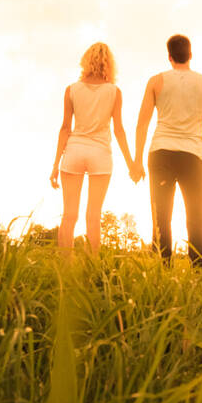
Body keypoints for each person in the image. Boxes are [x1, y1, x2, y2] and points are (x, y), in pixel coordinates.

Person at [133, 34, 202, 266]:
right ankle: (198, 275)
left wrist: (137, 161)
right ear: (190, 55)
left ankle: (163, 273)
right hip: (193, 157)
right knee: (197, 218)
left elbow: (142, 124)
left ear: (169, 57)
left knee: (161, 218)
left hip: (161, 154)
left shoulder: (156, 81)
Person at [49, 42, 139, 253]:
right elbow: (119, 130)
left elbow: (64, 128)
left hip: (74, 151)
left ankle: (66, 271)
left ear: (86, 61)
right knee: (93, 216)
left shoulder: (71, 90)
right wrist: (131, 164)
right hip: (100, 154)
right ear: (109, 64)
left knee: (69, 216)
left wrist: (55, 165)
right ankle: (91, 270)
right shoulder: (114, 92)